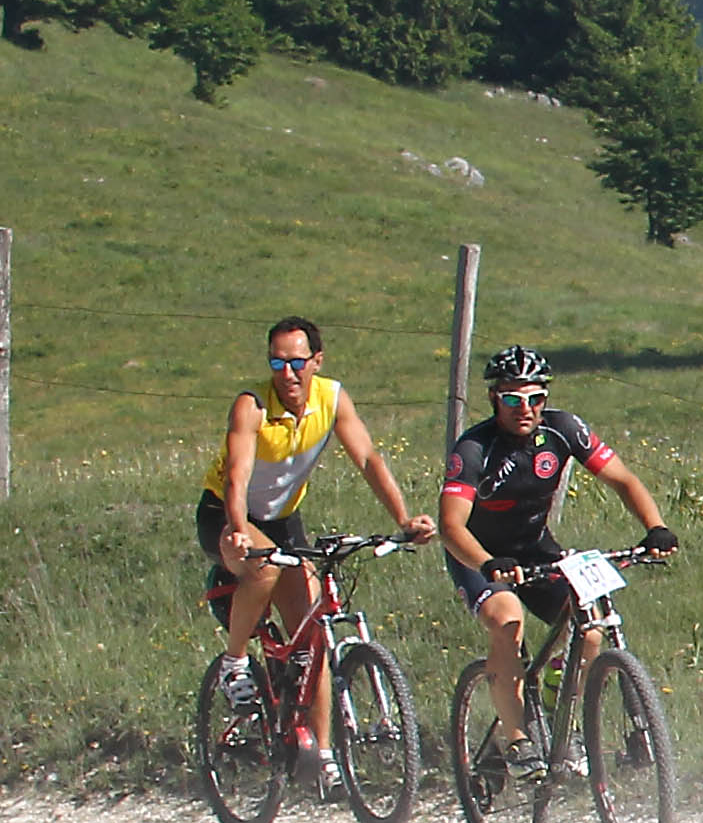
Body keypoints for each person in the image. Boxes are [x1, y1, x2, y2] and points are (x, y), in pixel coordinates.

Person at [196, 314, 419, 784]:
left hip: (282, 519)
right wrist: (237, 529)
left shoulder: (331, 398)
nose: (287, 373)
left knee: (312, 635)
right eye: (277, 362)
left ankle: (322, 756)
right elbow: (237, 477)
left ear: (317, 361)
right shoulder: (252, 406)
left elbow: (368, 457)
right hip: (226, 514)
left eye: (297, 362)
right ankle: (235, 663)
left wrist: (403, 520)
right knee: (262, 571)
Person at [438, 347, 677, 768]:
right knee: (507, 618)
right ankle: (514, 741)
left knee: (590, 627)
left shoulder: (563, 430)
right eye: (512, 398)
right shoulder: (475, 447)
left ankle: (555, 708)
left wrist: (654, 527)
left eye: (535, 398)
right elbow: (451, 526)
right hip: (480, 554)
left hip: (535, 547)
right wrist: (487, 564)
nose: (524, 408)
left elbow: (621, 478)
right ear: (494, 398)